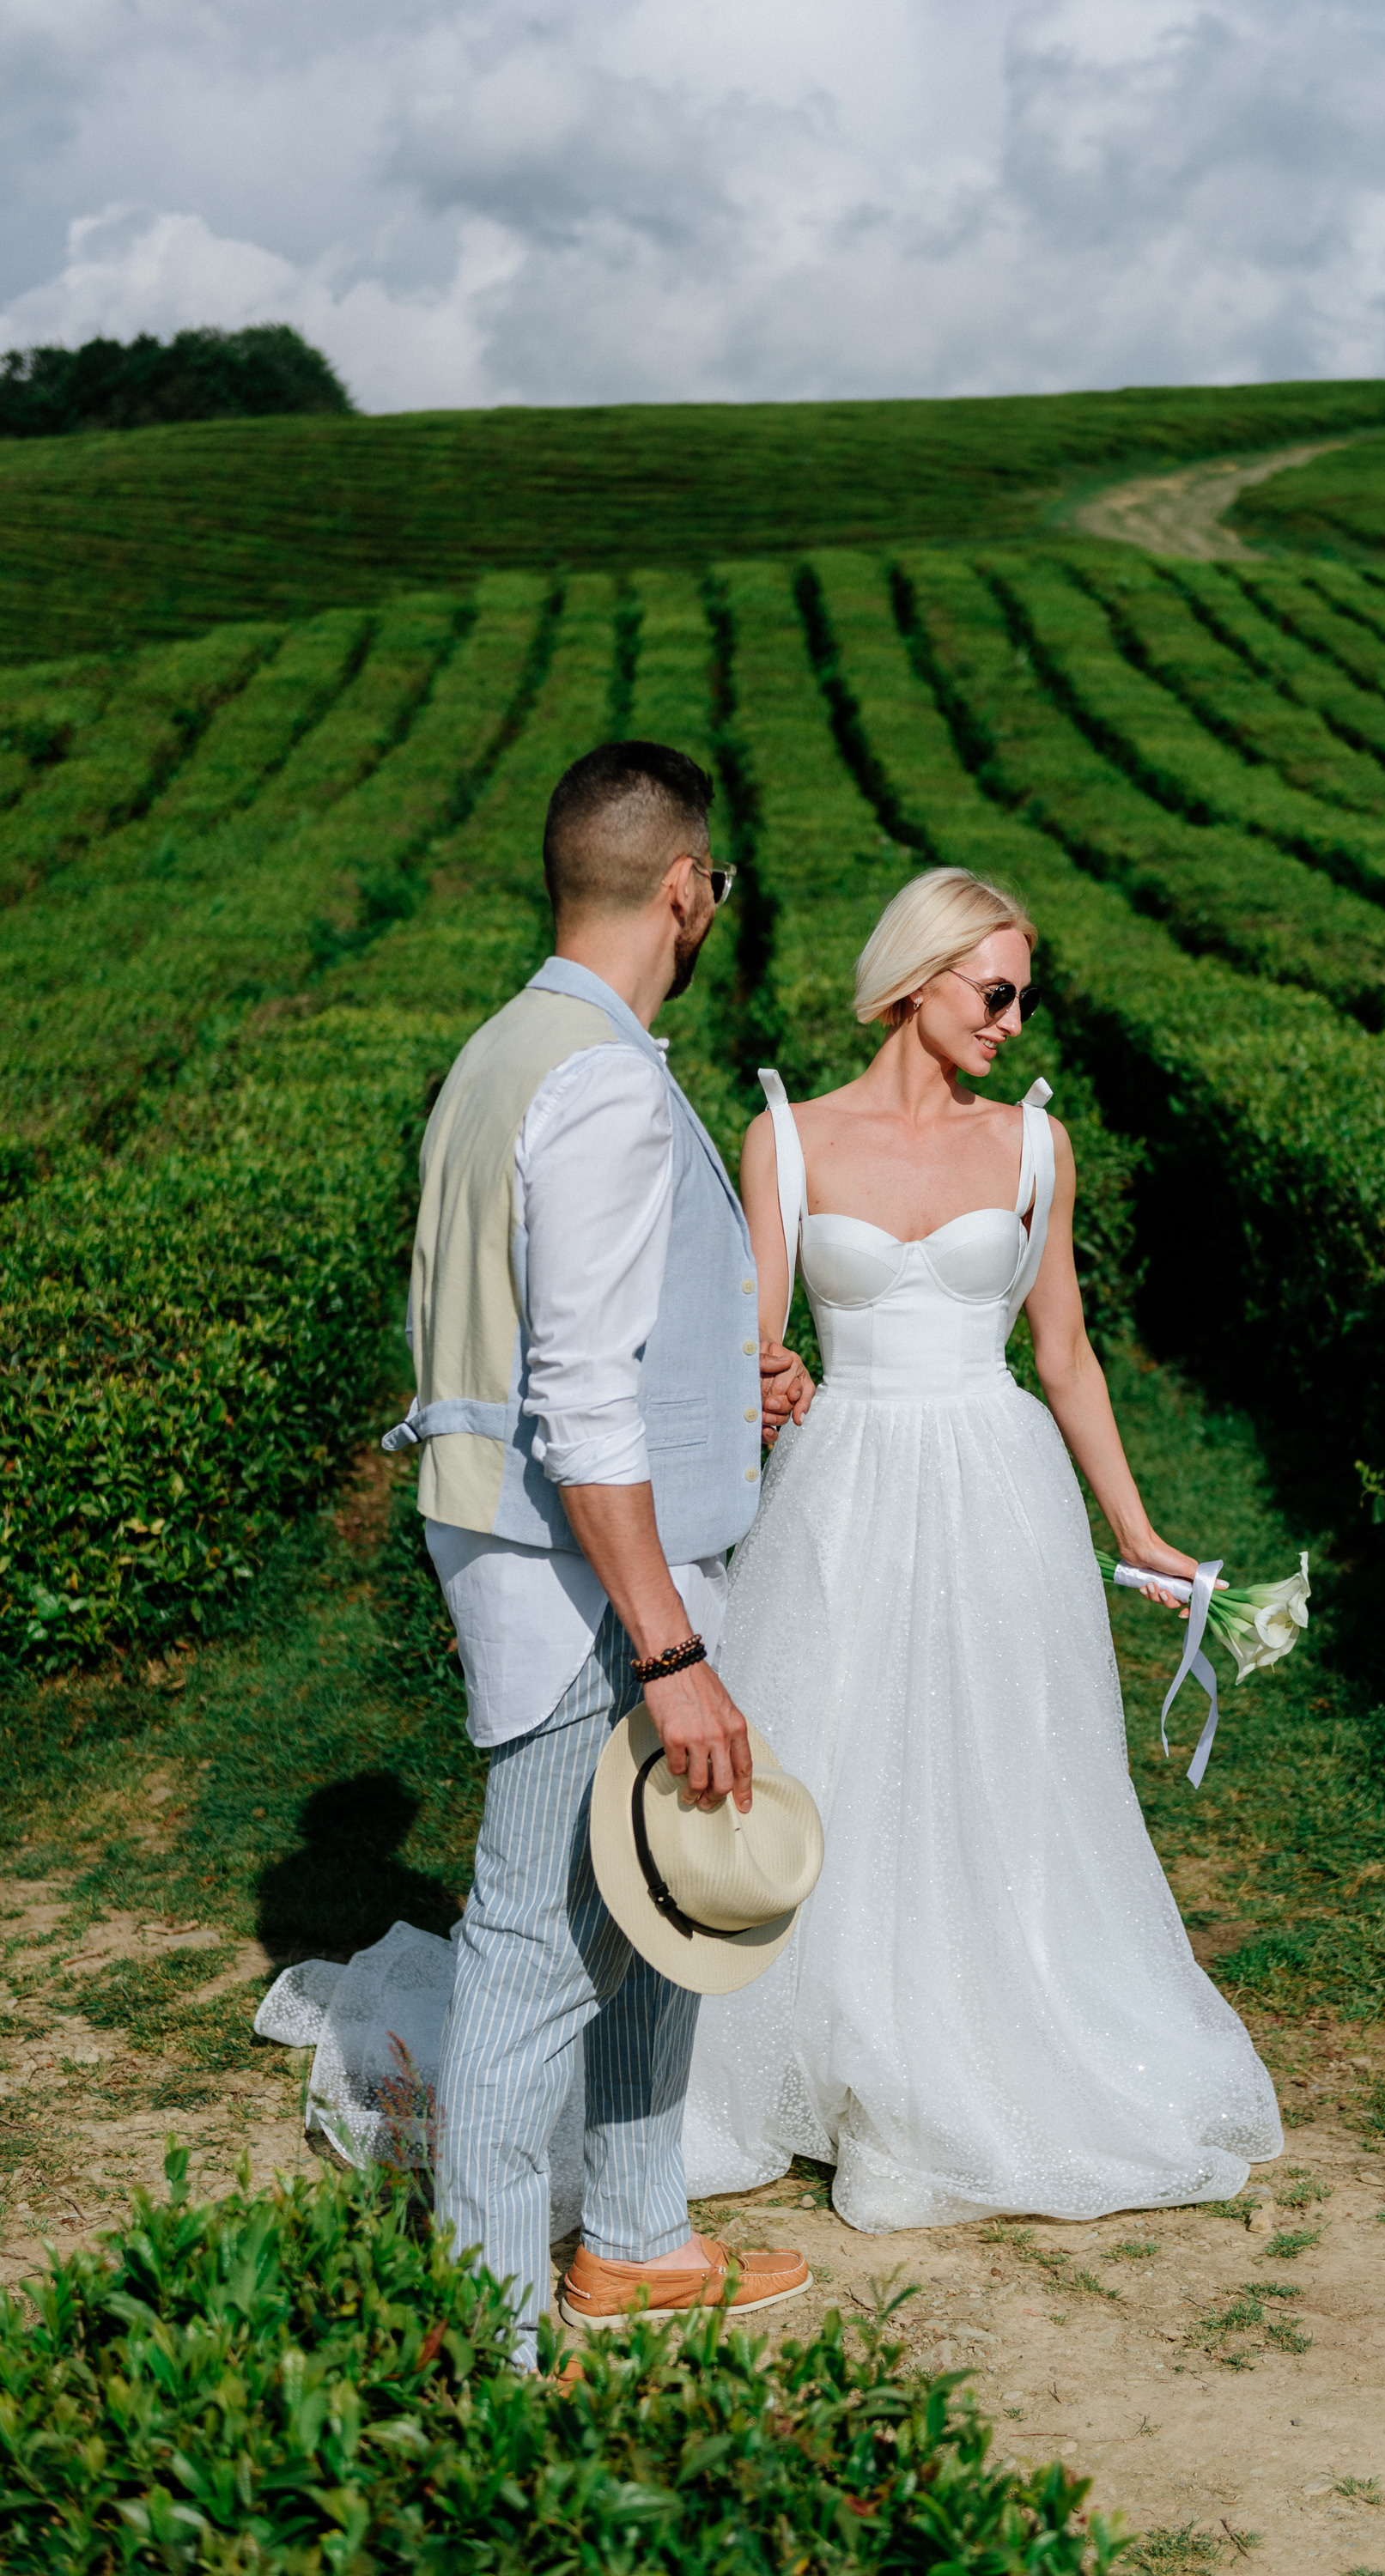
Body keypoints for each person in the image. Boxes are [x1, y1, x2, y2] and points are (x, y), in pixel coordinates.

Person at [683, 867, 1283, 2231]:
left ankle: (963, 2050)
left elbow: (1061, 1352)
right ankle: (822, 2054)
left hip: (996, 1484)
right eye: (995, 990)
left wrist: (1135, 1530)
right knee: (836, 1753)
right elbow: (755, 1340)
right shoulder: (781, 1135)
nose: (1015, 1020)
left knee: (996, 1760)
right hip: (840, 1485)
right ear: (917, 978)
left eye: (1025, 997)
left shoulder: (1033, 1147)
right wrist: (757, 1376)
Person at [384, 738, 814, 2360]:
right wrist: (672, 1650)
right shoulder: (610, 1080)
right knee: (534, 1945)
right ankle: (484, 2330)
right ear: (687, 887)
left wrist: (730, 1376)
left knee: (651, 1913)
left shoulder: (515, 1044)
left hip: (545, 1549)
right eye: (719, 885)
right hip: (580, 1587)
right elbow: (571, 1395)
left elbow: (563, 1333)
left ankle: (633, 2241)